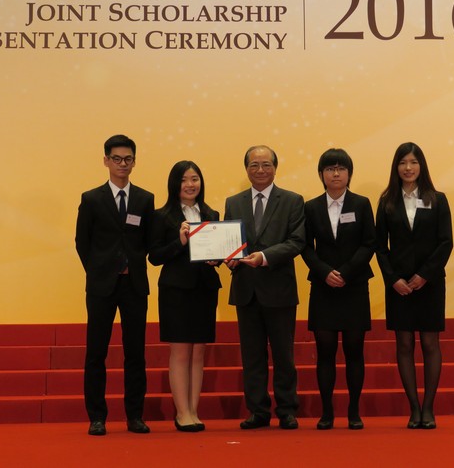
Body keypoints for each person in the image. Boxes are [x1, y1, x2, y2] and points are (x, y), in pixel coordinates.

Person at [75, 134, 154, 436]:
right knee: (96, 352)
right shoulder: (91, 199)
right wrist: (98, 272)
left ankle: (135, 415)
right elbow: (82, 242)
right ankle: (97, 416)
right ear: (106, 160)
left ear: (135, 161)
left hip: (134, 285)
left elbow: (146, 242)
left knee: (136, 353)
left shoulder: (145, 199)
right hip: (101, 287)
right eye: (117, 158)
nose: (123, 164)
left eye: (129, 159)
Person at [224, 145, 305, 430]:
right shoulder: (233, 202)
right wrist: (229, 259)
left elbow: (297, 241)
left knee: (284, 354)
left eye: (266, 164)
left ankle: (286, 409)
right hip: (246, 290)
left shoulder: (293, 201)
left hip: (279, 289)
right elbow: (230, 242)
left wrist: (265, 257)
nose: (260, 170)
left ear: (275, 167)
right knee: (252, 355)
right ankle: (258, 410)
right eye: (254, 165)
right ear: (246, 169)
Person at [375, 142, 453, 430]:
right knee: (404, 344)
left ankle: (429, 408)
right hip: (398, 285)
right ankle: (414, 408)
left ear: (422, 166)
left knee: (430, 343)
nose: (408, 168)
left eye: (413, 162)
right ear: (396, 167)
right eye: (403, 162)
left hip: (429, 283)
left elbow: (446, 242)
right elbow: (379, 247)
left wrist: (425, 275)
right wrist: (393, 279)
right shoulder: (387, 202)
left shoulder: (438, 199)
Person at [301, 148, 376, 430]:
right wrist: (324, 272)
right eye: (330, 169)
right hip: (323, 287)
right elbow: (305, 246)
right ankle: (327, 412)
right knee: (326, 350)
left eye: (341, 168)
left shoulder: (361, 203)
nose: (335, 173)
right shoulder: (311, 207)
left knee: (355, 350)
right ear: (321, 174)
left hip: (354, 286)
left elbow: (370, 242)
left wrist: (345, 272)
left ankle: (354, 411)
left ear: (349, 173)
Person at [148, 161, 221, 433]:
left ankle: (194, 410)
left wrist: (219, 258)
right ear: (174, 184)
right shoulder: (161, 216)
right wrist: (179, 241)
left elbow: (219, 248)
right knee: (180, 352)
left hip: (204, 288)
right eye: (184, 180)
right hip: (176, 290)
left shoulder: (211, 212)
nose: (191, 184)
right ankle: (182, 413)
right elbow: (154, 256)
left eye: (195, 179)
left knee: (198, 352)